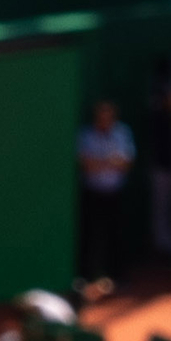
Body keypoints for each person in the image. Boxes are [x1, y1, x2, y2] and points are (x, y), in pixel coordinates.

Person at [74, 96, 138, 295]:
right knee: (89, 237)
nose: (104, 120)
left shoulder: (123, 132)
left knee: (116, 236)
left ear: (113, 117)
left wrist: (100, 162)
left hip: (115, 194)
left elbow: (126, 163)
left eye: (108, 116)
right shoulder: (85, 134)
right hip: (92, 194)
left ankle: (118, 277)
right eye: (101, 116)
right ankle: (85, 278)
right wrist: (111, 162)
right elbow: (86, 164)